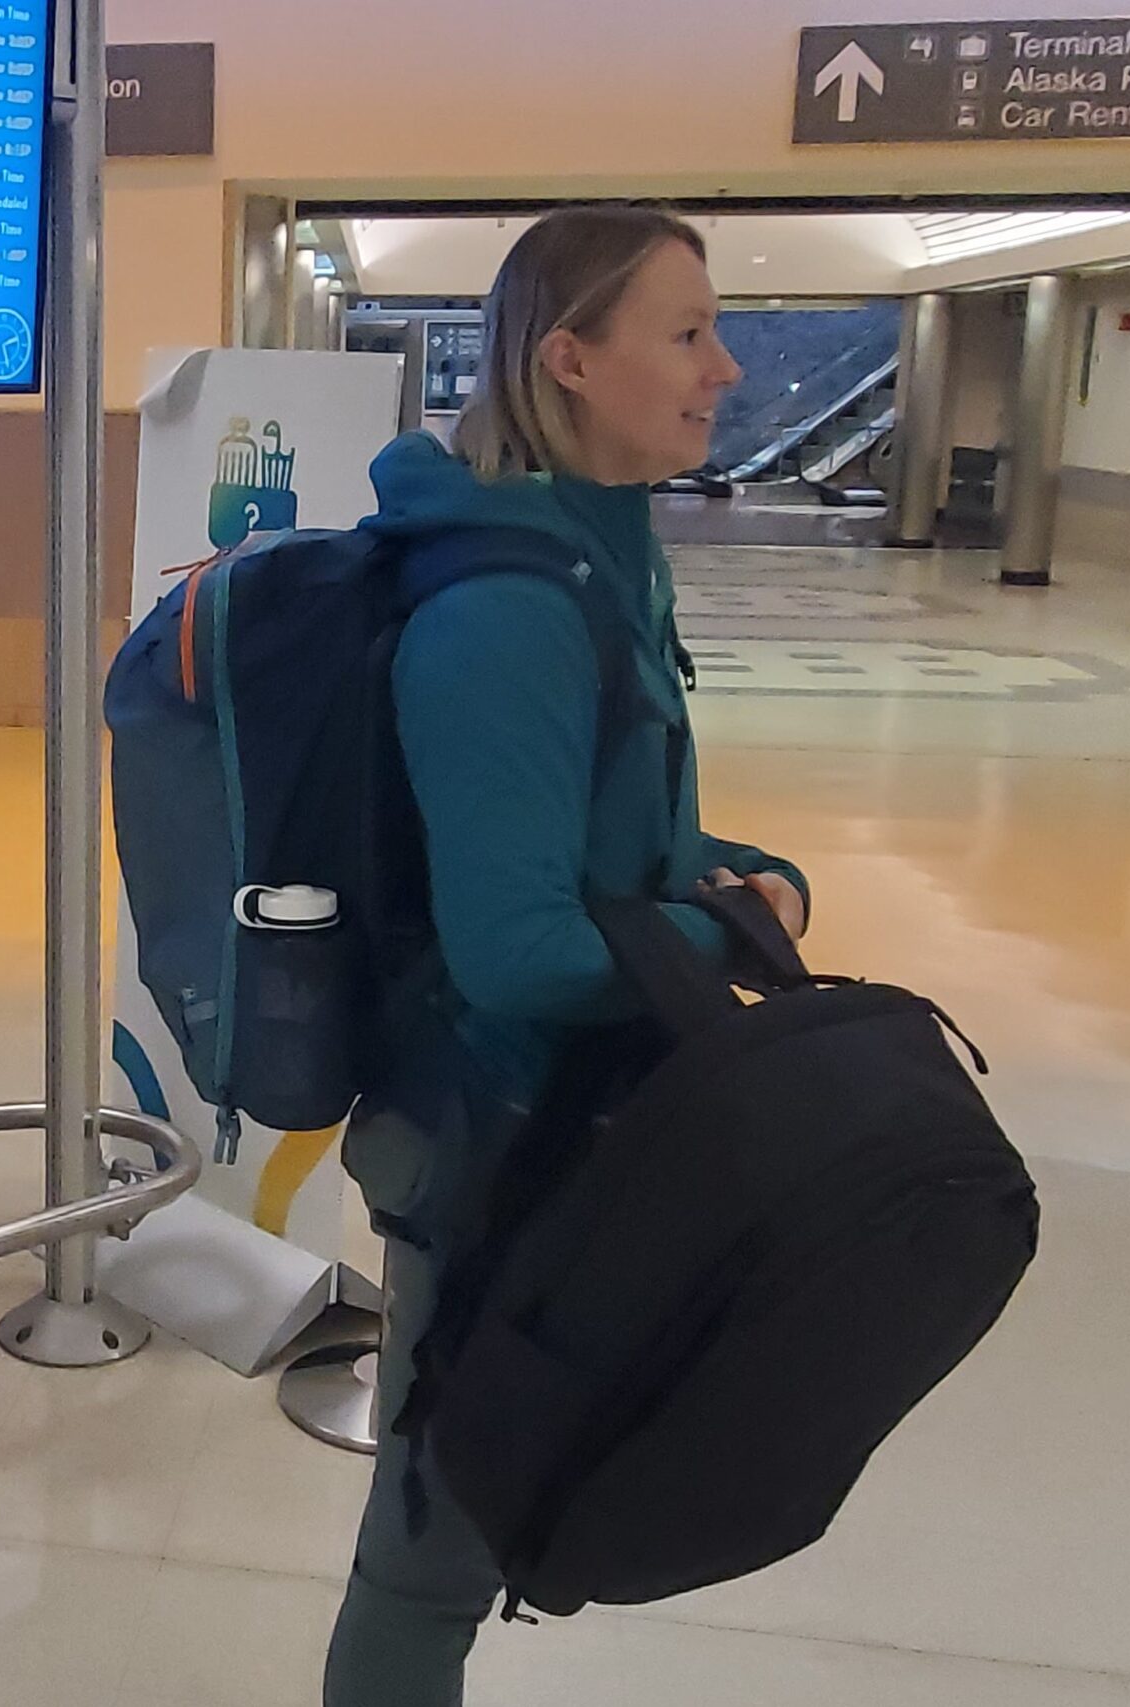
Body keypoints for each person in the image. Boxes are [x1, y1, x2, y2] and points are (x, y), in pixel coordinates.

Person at [324, 205, 811, 1707]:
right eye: (686, 333)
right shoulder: (505, 613)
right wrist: (723, 931)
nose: (725, 367)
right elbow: (522, 947)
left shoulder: (604, 564)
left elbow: (607, 838)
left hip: (578, 1134)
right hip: (493, 1149)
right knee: (429, 1564)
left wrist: (728, 872)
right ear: (570, 361)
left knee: (487, 1524)